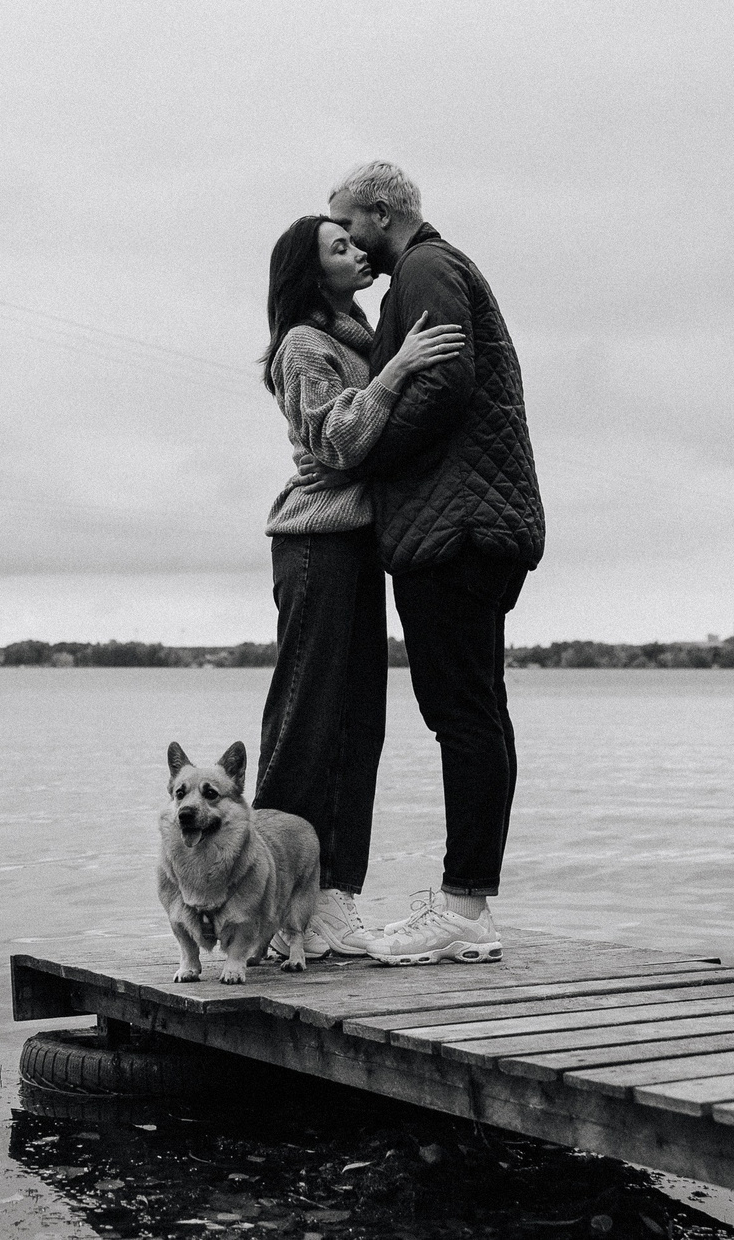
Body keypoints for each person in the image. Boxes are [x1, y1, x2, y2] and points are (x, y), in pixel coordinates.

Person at [323, 161, 544, 966]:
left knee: (463, 714)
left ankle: (463, 908)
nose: (349, 241)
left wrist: (367, 452)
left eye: (349, 224)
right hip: (473, 523)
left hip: (456, 530)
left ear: (382, 214)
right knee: (477, 710)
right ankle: (467, 902)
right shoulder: (436, 269)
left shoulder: (424, 267)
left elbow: (446, 380)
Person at [257, 215, 466, 959]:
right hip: (315, 541)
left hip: (356, 545)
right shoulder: (302, 345)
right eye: (338, 247)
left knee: (358, 724)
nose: (357, 251)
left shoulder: (358, 337)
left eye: (353, 240)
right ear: (312, 274)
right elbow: (339, 441)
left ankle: (333, 899)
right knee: (307, 720)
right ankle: (273, 901)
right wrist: (398, 368)